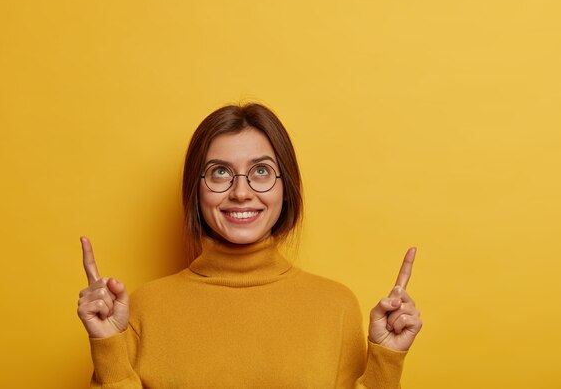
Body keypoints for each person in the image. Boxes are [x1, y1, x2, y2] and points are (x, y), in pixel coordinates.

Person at [77, 103, 422, 388]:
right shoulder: (145, 309)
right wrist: (108, 350)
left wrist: (384, 363)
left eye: (260, 171)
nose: (241, 192)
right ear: (196, 190)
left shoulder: (336, 306)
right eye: (220, 173)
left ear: (285, 186)